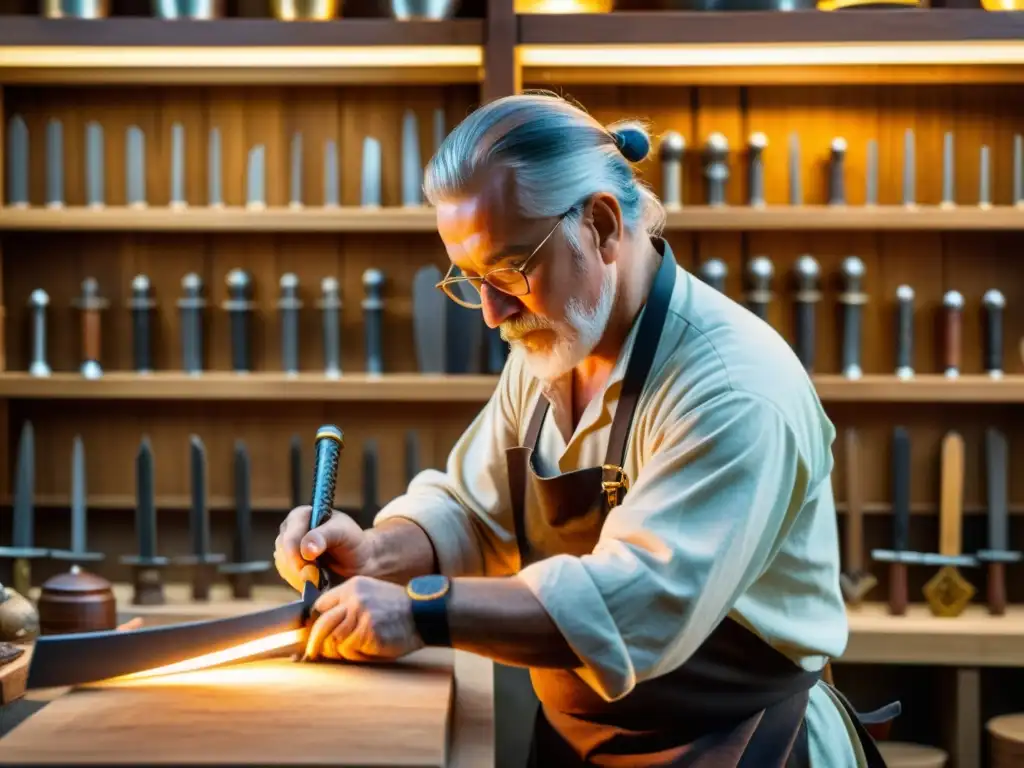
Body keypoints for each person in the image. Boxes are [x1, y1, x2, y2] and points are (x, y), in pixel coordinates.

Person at [274, 92, 898, 767]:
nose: (490, 313)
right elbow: (472, 514)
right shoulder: (551, 348)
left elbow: (638, 603)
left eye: (510, 269)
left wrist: (421, 613)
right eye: (471, 278)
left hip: (745, 747)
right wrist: (377, 555)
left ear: (600, 226)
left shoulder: (731, 384)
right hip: (580, 747)